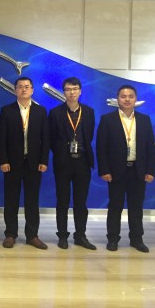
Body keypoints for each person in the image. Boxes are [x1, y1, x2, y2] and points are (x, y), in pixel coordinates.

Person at [97, 84, 155, 253]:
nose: (127, 99)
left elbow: (150, 148)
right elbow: (101, 148)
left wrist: (150, 170)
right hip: (116, 171)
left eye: (131, 96)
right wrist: (104, 170)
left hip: (138, 170)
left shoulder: (144, 120)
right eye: (123, 96)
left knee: (136, 207)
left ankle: (137, 239)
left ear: (135, 99)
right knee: (115, 207)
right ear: (118, 99)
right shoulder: (107, 119)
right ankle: (113, 239)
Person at [0, 76, 50, 250]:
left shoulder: (41, 111)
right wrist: (3, 160)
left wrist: (44, 160)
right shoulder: (7, 111)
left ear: (32, 90)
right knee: (11, 200)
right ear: (15, 90)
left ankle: (32, 235)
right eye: (20, 86)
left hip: (34, 163)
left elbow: (45, 139)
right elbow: (1, 139)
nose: (24, 89)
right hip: (12, 164)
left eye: (27, 86)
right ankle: (10, 234)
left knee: (32, 201)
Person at [48, 77, 96, 250]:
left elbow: (89, 135)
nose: (72, 92)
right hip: (63, 162)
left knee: (81, 202)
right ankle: (62, 235)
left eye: (75, 89)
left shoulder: (89, 112)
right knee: (62, 201)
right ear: (64, 92)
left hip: (83, 162)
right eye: (68, 89)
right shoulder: (55, 113)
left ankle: (80, 235)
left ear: (80, 91)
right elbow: (51, 139)